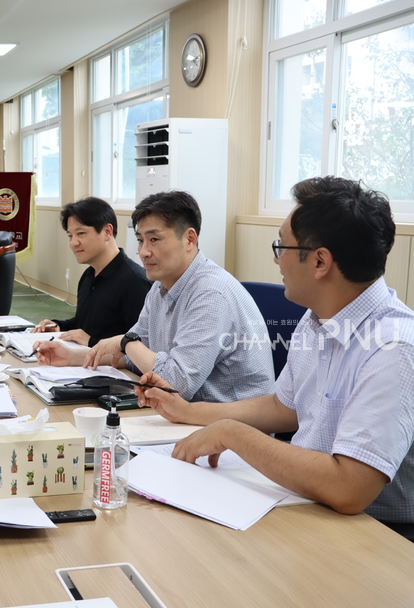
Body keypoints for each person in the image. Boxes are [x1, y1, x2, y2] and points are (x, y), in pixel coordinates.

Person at [137, 177, 414, 536]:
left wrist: (233, 435)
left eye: (280, 245)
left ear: (320, 262)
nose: (275, 257)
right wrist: (190, 413)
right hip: (305, 502)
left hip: (374, 531)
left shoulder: (393, 348)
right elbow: (284, 409)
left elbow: (351, 488)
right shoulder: (317, 320)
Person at [36, 190, 274, 403]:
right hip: (188, 417)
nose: (143, 252)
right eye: (140, 240)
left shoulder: (210, 293)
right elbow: (133, 357)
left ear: (190, 239)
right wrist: (73, 357)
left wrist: (127, 342)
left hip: (231, 431)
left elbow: (177, 385)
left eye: (154, 239)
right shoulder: (160, 288)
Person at [33, 197, 150, 346]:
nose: (73, 243)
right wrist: (59, 327)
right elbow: (85, 324)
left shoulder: (134, 281)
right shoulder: (89, 275)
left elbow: (142, 344)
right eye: (70, 236)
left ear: (107, 232)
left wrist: (91, 342)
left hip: (112, 368)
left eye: (81, 233)